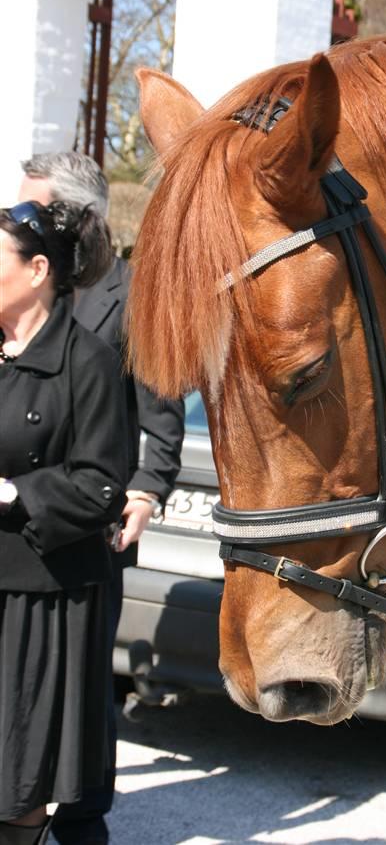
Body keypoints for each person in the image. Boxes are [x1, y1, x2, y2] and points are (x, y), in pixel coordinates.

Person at [18, 154, 185, 845]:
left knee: (85, 687)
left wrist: (148, 490)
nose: (23, 224)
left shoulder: (133, 296)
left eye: (37, 211)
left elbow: (162, 408)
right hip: (20, 520)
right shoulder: (30, 282)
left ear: (82, 220)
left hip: (93, 522)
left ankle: (83, 818)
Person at [0, 201, 127, 845]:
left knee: (18, 777)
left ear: (36, 271)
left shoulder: (89, 362)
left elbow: (102, 486)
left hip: (41, 597)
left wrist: (12, 494)